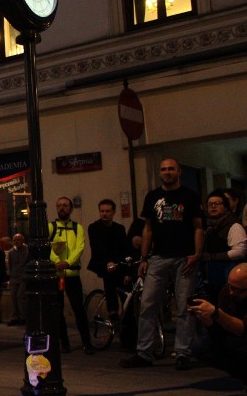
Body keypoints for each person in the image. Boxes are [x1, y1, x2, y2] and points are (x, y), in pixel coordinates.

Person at [121, 158, 203, 370]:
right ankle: (144, 353)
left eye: (171, 169)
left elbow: (197, 227)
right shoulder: (153, 197)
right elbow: (147, 229)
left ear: (179, 172)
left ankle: (183, 352)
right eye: (163, 169)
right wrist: (144, 257)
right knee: (147, 305)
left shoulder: (190, 196)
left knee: (184, 306)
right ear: (160, 173)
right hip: (158, 258)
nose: (167, 172)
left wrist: (197, 254)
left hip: (184, 258)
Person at [188, 262, 247, 391]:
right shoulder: (227, 292)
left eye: (236, 289)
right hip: (236, 338)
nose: (231, 292)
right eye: (230, 286)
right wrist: (208, 320)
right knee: (201, 346)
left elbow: (243, 329)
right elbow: (219, 333)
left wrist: (216, 313)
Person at [49, 196, 94, 355]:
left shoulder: (78, 228)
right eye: (59, 205)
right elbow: (47, 247)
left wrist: (67, 262)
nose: (62, 208)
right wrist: (56, 262)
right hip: (58, 276)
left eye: (65, 205)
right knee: (58, 310)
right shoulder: (51, 227)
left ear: (71, 208)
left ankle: (87, 342)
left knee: (79, 309)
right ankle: (64, 343)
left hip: (72, 275)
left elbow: (80, 248)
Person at [87, 199, 132, 322]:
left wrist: (127, 269)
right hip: (104, 263)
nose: (104, 214)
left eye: (107, 211)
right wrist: (107, 262)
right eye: (102, 211)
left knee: (127, 291)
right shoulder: (94, 227)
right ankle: (112, 313)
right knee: (110, 282)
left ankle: (127, 319)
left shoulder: (119, 228)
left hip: (119, 263)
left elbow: (125, 248)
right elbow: (97, 248)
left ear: (113, 212)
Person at [200, 190, 247, 302]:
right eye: (210, 204)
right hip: (213, 278)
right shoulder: (210, 226)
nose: (213, 206)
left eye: (217, 203)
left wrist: (212, 256)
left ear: (226, 207)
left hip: (228, 278)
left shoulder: (234, 226)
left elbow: (240, 252)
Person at [6, 233, 29, 326]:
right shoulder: (11, 252)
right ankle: (14, 317)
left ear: (22, 241)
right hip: (14, 277)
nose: (16, 242)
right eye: (15, 240)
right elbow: (10, 265)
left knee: (20, 296)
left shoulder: (27, 250)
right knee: (13, 297)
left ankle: (24, 317)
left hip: (24, 277)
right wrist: (10, 276)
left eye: (18, 240)